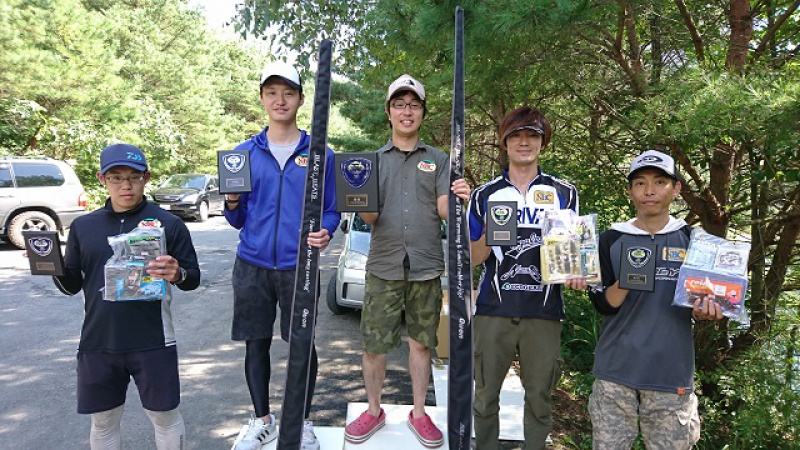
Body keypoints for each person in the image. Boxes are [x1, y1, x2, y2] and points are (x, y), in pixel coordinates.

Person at [343, 74, 470, 448]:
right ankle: (373, 409)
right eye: (399, 104)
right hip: (383, 265)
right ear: (388, 112)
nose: (406, 111)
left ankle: (418, 412)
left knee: (421, 344)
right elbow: (367, 216)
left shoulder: (440, 160)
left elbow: (445, 209)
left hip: (426, 266)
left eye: (413, 104)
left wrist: (460, 197)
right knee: (374, 345)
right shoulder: (369, 163)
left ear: (422, 113)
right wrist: (357, 200)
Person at [53, 143, 201, 450]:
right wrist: (50, 265)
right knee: (103, 423)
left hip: (154, 339)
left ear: (146, 178)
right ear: (102, 179)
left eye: (134, 177)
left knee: (164, 417)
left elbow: (192, 279)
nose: (126, 185)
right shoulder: (84, 226)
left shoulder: (168, 224)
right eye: (116, 177)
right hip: (99, 341)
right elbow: (71, 286)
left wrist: (177, 274)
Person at [224, 61, 339, 450]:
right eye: (272, 92)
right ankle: (262, 421)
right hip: (252, 264)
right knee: (256, 343)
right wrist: (232, 202)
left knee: (302, 344)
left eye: (288, 92)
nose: (280, 100)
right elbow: (237, 219)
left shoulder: (321, 153)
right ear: (261, 98)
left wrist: (327, 230)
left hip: (299, 266)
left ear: (301, 99)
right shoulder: (242, 154)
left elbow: (332, 207)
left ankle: (301, 422)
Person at [587, 149, 724, 449]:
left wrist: (706, 311)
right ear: (630, 191)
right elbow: (602, 304)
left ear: (675, 189)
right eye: (640, 183)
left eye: (660, 182)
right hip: (615, 373)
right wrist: (629, 276)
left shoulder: (693, 241)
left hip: (671, 375)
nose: (649, 190)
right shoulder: (610, 239)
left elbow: (701, 306)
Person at [467, 107, 584, 450]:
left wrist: (577, 273)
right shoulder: (484, 194)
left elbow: (570, 257)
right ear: (504, 142)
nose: (523, 142)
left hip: (543, 312)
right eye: (515, 135)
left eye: (532, 135)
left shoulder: (564, 192)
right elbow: (472, 259)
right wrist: (488, 236)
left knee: (539, 397)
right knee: (485, 396)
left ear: (542, 142)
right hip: (493, 309)